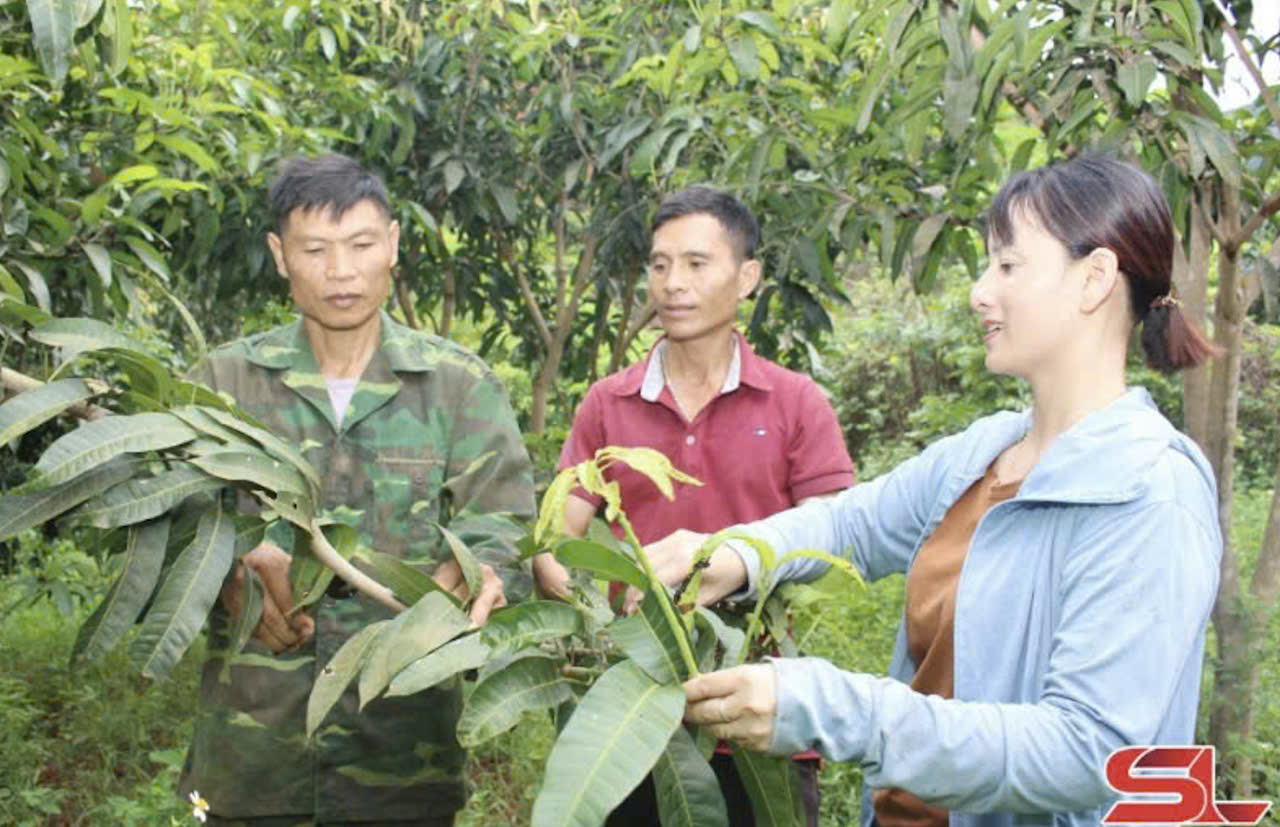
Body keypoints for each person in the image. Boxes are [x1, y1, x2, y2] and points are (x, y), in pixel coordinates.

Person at [644, 156, 1223, 827]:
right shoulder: (985, 452)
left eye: (1007, 266)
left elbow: (1091, 750)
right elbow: (848, 525)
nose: (981, 291)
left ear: (1094, 278)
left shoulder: (1151, 491)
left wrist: (833, 706)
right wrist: (731, 553)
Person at [179, 154, 535, 826]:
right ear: (280, 256)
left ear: (393, 244)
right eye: (315, 249)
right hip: (251, 756)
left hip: (403, 754)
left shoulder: (457, 385)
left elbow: (505, 523)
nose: (340, 271)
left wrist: (464, 582)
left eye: (361, 245)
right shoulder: (223, 383)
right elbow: (170, 526)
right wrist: (229, 572)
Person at [533, 187, 855, 826]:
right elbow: (555, 537)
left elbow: (836, 539)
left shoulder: (795, 403)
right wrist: (592, 621)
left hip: (762, 706)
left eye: (696, 264)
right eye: (659, 265)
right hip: (637, 714)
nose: (672, 284)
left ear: (748, 276)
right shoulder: (609, 402)